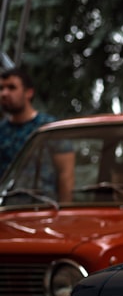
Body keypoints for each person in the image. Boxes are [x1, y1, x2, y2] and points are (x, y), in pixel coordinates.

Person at [0, 67, 74, 201]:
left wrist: (65, 213)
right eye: (1, 88)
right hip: (6, 210)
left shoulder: (49, 128)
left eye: (12, 88)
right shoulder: (2, 130)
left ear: (28, 92)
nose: (4, 93)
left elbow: (65, 174)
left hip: (42, 208)